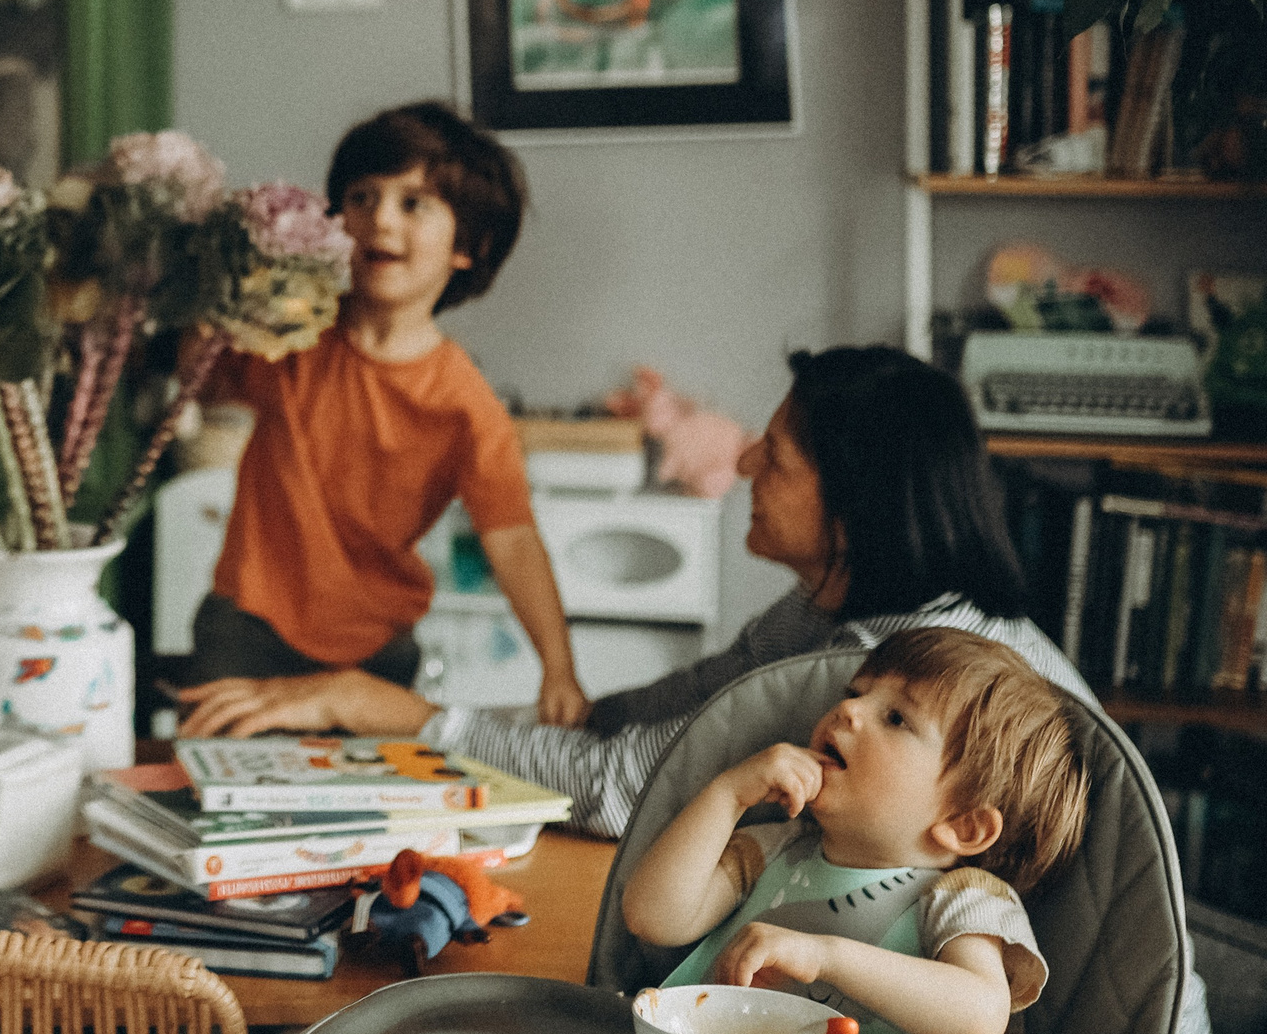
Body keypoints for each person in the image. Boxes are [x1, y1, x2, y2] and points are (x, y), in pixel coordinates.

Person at [177, 345, 1094, 840]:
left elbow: (621, 789)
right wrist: (413, 721)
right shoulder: (823, 609)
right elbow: (642, 719)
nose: (738, 462)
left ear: (851, 510)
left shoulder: (884, 675)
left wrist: (391, 710)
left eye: (771, 457)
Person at [179, 101, 590, 731]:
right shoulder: (291, 335)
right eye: (362, 196)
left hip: (376, 655)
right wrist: (214, 293)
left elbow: (511, 536)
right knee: (219, 794)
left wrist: (557, 667)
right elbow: (200, 377)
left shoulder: (467, 406)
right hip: (244, 624)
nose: (379, 219)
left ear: (470, 247)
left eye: (412, 203)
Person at [621, 627, 1088, 1034]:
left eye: (896, 718)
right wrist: (728, 795)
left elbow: (981, 1019)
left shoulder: (963, 897)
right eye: (855, 693)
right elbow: (652, 916)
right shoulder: (775, 849)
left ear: (963, 826)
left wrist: (826, 956)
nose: (848, 710)